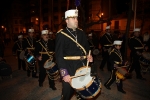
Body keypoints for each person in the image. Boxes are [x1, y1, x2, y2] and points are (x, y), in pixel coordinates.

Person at [55, 9, 93, 100]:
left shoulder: (81, 33)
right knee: (68, 91)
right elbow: (59, 55)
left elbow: (87, 48)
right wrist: (64, 73)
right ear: (67, 20)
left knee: (83, 89)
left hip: (82, 65)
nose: (76, 20)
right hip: (69, 66)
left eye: (76, 18)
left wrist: (89, 55)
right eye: (73, 18)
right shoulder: (61, 35)